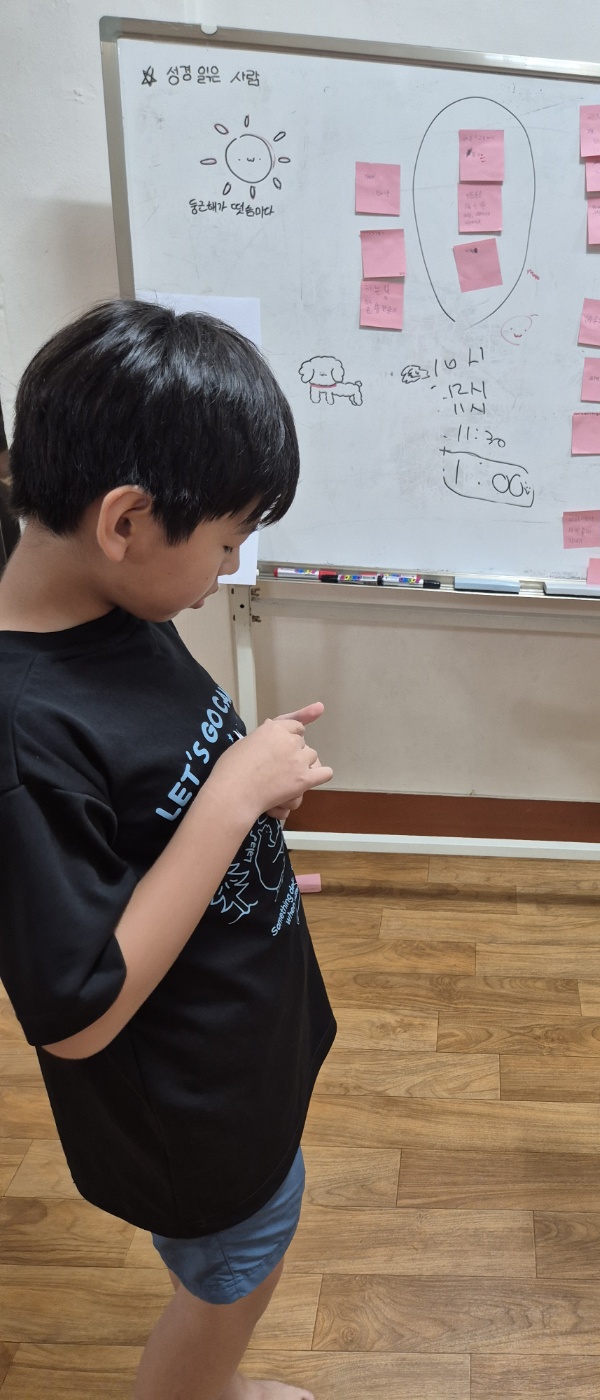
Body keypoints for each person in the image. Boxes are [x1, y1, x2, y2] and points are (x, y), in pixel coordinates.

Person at [0, 300, 337, 1400]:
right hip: (189, 1111)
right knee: (236, 1270)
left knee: (244, 1254)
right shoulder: (25, 735)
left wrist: (247, 833)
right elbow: (78, 1012)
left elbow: (149, 821)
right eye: (228, 542)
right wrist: (231, 802)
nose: (230, 567)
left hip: (237, 1041)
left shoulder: (112, 603)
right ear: (127, 521)